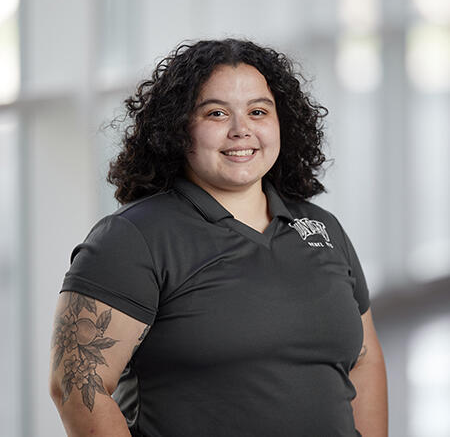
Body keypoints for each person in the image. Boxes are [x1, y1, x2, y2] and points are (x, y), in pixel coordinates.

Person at [49, 38, 388, 437]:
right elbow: (76, 386)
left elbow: (364, 360)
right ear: (179, 128)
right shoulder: (131, 239)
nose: (241, 130)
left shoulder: (322, 227)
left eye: (258, 112)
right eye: (216, 113)